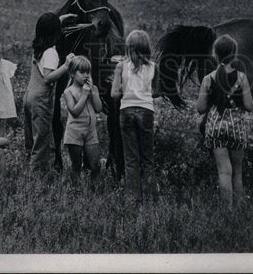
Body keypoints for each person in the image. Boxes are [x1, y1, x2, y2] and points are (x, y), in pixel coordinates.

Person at [196, 34, 253, 209]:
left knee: (223, 171)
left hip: (215, 127)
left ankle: (226, 211)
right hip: (236, 127)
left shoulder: (208, 78)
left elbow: (200, 108)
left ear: (215, 54)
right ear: (235, 54)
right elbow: (249, 106)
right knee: (237, 172)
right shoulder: (242, 77)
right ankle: (239, 208)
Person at [110, 29, 160, 203]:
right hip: (146, 112)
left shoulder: (120, 66)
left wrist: (123, 87)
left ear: (128, 47)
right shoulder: (154, 67)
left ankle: (132, 199)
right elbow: (156, 92)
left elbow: (114, 94)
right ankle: (150, 199)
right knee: (148, 158)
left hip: (126, 111)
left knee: (131, 159)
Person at [23, 13, 74, 174]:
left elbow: (47, 27)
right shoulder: (51, 53)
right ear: (56, 33)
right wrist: (66, 66)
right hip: (41, 101)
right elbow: (47, 78)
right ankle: (38, 179)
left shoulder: (39, 46)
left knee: (31, 140)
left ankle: (30, 170)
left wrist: (60, 19)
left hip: (29, 97)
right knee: (42, 142)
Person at [61, 54, 103, 187]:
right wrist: (84, 95)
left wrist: (94, 92)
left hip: (91, 132)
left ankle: (94, 189)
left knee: (95, 164)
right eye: (82, 72)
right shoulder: (69, 91)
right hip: (75, 132)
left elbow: (98, 108)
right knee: (76, 165)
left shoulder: (92, 89)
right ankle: (76, 190)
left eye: (88, 72)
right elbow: (74, 111)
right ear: (73, 73)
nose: (86, 75)